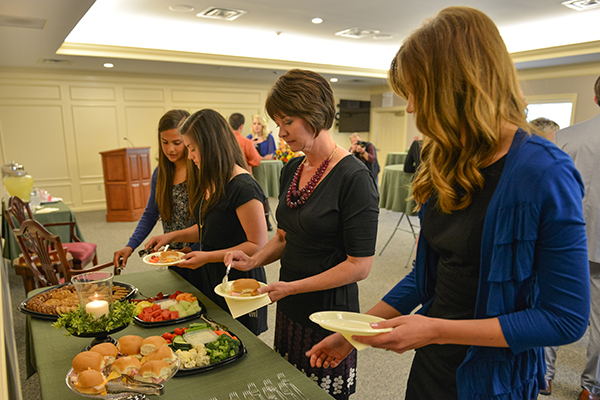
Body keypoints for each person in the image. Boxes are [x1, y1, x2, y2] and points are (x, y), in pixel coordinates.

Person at [307, 7, 590, 400]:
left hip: (492, 378)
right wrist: (354, 333)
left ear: (456, 87)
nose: (409, 108)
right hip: (434, 364)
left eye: (416, 94)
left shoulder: (544, 171)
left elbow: (565, 319)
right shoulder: (446, 158)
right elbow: (429, 276)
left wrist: (437, 328)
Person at [225, 69, 379, 399]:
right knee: (290, 390)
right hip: (290, 305)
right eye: (277, 123)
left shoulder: (354, 177)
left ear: (316, 114)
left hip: (329, 312)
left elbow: (359, 266)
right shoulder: (291, 169)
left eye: (288, 122)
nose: (280, 133)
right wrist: (252, 259)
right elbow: (283, 237)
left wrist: (291, 287)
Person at [146, 109, 269, 336]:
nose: (190, 156)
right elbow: (207, 229)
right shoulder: (211, 180)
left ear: (210, 145)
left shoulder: (243, 186)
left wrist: (207, 257)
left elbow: (257, 245)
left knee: (241, 342)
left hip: (238, 282)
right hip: (213, 275)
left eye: (192, 148)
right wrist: (172, 236)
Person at [555, 75, 600, 400]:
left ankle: (542, 376)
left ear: (596, 98)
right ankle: (591, 388)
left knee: (550, 306)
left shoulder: (566, 137)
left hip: (565, 238)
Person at [113, 109, 200, 277]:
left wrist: (193, 248)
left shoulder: (198, 170)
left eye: (177, 142)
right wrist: (130, 246)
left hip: (200, 255)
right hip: (173, 256)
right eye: (164, 142)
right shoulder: (160, 173)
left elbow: (213, 224)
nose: (170, 149)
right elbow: (151, 214)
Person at [246, 114, 276, 231]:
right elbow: (246, 155)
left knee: (264, 194)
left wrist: (257, 158)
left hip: (264, 169)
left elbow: (269, 156)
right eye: (254, 124)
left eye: (259, 124)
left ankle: (267, 222)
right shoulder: (249, 138)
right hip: (252, 169)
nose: (256, 126)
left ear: (263, 125)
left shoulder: (269, 138)